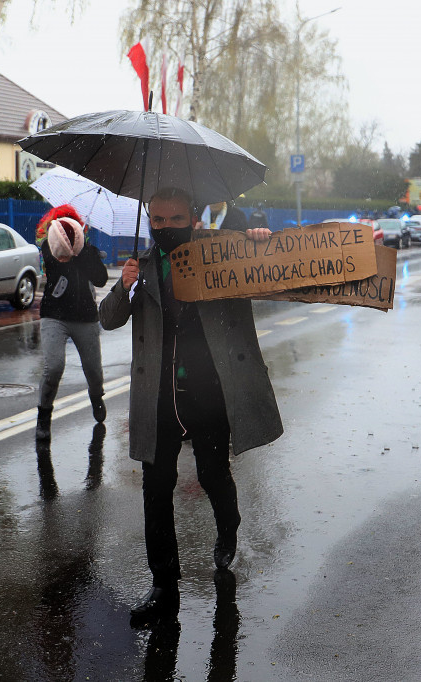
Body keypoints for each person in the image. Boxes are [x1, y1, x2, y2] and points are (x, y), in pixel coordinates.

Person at [98, 186, 283, 624]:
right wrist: (123, 287)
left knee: (212, 474)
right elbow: (108, 318)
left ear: (193, 220)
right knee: (155, 491)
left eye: (174, 220)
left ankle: (229, 524)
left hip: (209, 391)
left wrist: (257, 244)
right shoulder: (139, 267)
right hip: (158, 396)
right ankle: (163, 587)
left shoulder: (223, 256)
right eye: (157, 221)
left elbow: (270, 278)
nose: (164, 228)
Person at [34, 205, 109, 440]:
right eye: (61, 227)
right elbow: (57, 264)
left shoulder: (87, 250)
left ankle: (96, 397)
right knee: (54, 366)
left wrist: (85, 251)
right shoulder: (50, 247)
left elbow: (100, 279)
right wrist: (69, 247)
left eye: (71, 227)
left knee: (94, 372)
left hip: (85, 316)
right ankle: (44, 415)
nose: (66, 232)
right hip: (54, 315)